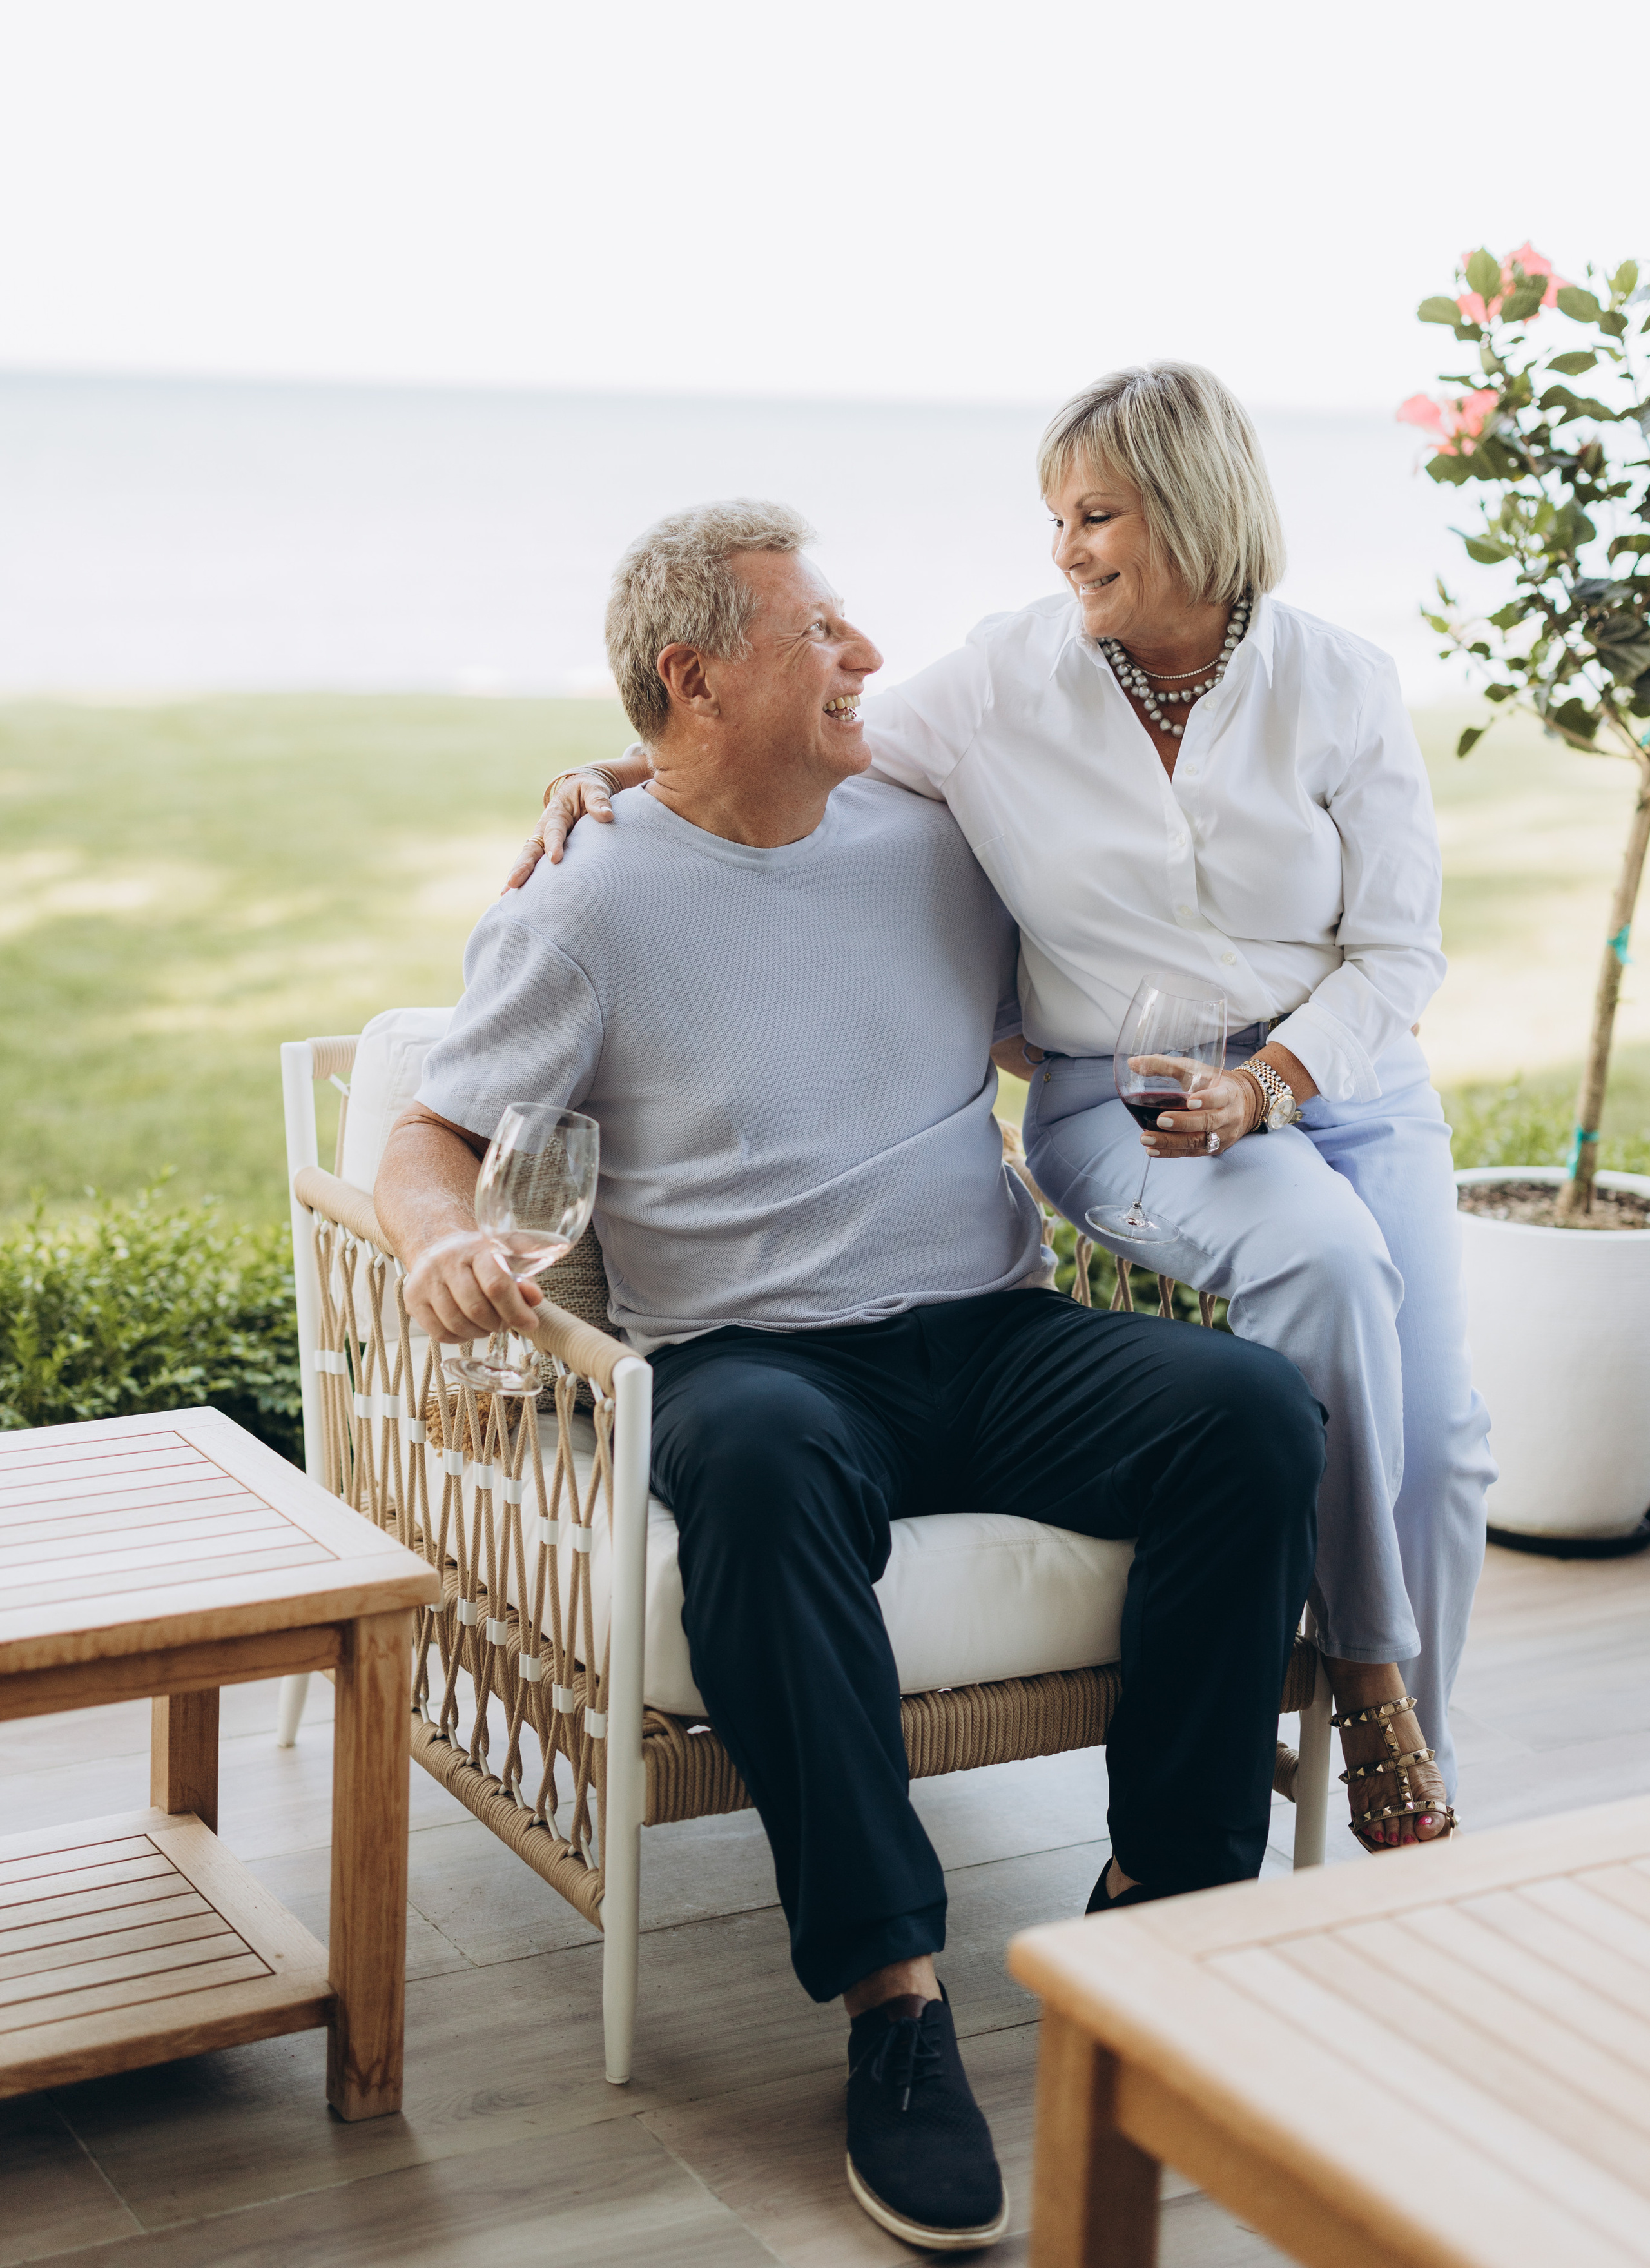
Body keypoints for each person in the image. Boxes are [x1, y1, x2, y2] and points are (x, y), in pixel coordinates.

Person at [378, 499, 1324, 2254]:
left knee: (1250, 1413)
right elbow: (434, 1130)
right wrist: (439, 1240)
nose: (867, 659)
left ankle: (1166, 1906)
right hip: (759, 1366)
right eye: (822, 633)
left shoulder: (924, 833)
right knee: (742, 1461)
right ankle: (896, 2005)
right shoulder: (586, 904)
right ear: (697, 674)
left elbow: (1098, 936)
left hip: (988, 1333)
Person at [518, 366, 1497, 1855]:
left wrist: (1275, 1081)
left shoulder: (1337, 682)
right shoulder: (997, 684)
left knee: (1444, 1434)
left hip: (1338, 1081)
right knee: (1323, 1268)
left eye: (1095, 515)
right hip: (1128, 1100)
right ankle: (1359, 1685)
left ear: (1195, 511)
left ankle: (1416, 1739)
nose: (1065, 550)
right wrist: (621, 771)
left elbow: (1399, 952)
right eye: (1053, 518)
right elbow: (790, 736)